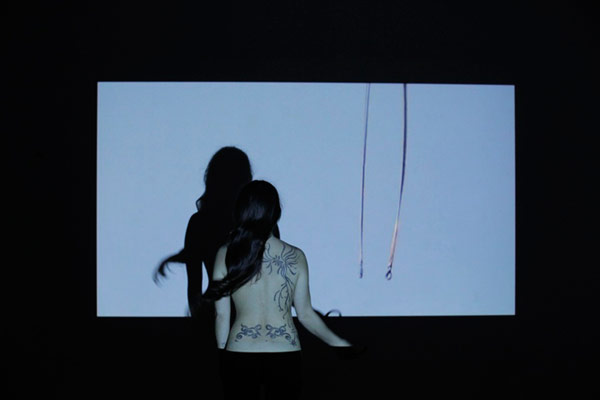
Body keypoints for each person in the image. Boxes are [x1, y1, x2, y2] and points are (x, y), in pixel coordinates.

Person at [203, 180, 352, 399]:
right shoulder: (296, 256)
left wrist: (222, 353)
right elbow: (305, 314)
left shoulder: (226, 253)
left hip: (241, 350)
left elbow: (222, 315)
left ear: (241, 211)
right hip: (285, 352)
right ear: (276, 212)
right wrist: (338, 342)